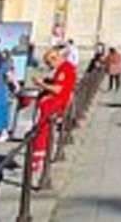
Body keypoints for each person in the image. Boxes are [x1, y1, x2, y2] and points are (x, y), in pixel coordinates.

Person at [30, 47, 76, 183]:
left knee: (42, 129)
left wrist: (42, 84)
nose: (50, 67)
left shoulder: (65, 69)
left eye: (50, 64)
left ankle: (38, 159)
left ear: (55, 58)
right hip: (58, 101)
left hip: (56, 103)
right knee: (43, 129)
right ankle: (40, 157)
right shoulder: (66, 67)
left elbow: (59, 89)